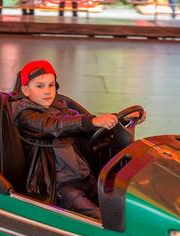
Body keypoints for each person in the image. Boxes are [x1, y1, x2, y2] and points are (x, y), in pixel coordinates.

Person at [12, 60, 146, 220]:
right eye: (40, 86)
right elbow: (54, 126)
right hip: (58, 185)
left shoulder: (57, 109)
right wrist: (91, 122)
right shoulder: (26, 116)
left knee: (123, 208)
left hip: (83, 177)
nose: (47, 91)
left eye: (51, 85)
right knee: (102, 219)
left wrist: (120, 119)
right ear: (26, 90)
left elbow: (84, 123)